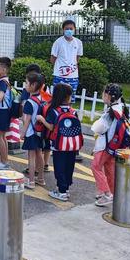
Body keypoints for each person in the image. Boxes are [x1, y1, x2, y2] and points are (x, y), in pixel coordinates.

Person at [37, 83, 83, 202]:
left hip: (59, 145)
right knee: (69, 166)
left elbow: (51, 127)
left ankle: (61, 192)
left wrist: (42, 119)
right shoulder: (73, 111)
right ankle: (65, 188)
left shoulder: (54, 111)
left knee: (59, 167)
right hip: (72, 145)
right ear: (68, 97)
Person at [51, 20, 83, 162]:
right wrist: (61, 67)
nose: (69, 30)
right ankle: (56, 133)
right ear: (63, 29)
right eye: (66, 29)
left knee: (70, 104)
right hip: (59, 75)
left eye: (71, 28)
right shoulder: (58, 42)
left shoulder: (78, 43)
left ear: (75, 29)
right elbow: (53, 59)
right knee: (57, 103)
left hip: (73, 76)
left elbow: (77, 58)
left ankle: (70, 131)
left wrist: (71, 68)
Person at [91, 84, 128, 207]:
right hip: (114, 145)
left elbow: (97, 127)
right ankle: (111, 192)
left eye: (103, 93)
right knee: (109, 169)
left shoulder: (111, 112)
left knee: (96, 166)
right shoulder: (121, 108)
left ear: (108, 95)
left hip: (105, 145)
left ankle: (107, 194)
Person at [20, 72, 46, 190]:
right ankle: (41, 179)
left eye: (26, 83)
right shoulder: (41, 98)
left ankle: (30, 181)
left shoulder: (29, 102)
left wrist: (22, 133)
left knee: (31, 157)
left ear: (33, 85)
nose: (25, 85)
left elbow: (27, 120)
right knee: (39, 154)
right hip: (40, 132)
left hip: (31, 132)